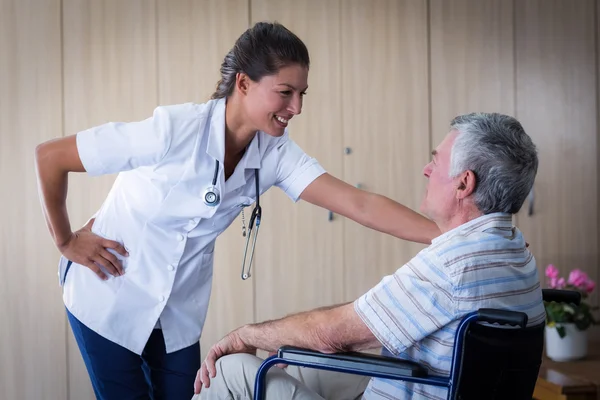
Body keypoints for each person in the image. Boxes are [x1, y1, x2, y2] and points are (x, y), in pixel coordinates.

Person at [34, 22, 439, 400]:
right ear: (243, 83)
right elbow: (50, 156)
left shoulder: (275, 152)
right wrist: (66, 240)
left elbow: (359, 203)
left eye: (302, 94)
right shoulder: (173, 130)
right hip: (109, 294)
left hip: (176, 314)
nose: (296, 107)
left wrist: (448, 237)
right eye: (285, 92)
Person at [193, 112, 546, 400]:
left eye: (435, 162)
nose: (426, 169)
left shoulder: (451, 265)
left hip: (419, 388)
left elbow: (330, 334)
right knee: (301, 365)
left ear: (463, 183)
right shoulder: (513, 249)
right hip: (433, 384)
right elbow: (366, 324)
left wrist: (245, 335)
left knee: (230, 370)